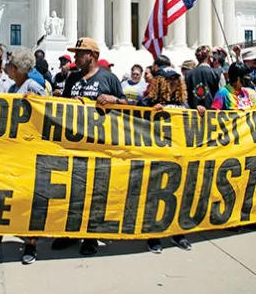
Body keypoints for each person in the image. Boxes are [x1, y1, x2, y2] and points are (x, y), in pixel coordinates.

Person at [54, 37, 128, 256]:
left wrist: (113, 99)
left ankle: (91, 235)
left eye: (80, 53)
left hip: (99, 146)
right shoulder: (72, 78)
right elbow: (62, 105)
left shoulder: (109, 78)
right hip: (74, 145)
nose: (75, 57)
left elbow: (127, 106)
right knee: (72, 192)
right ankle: (69, 233)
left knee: (95, 193)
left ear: (92, 56)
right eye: (75, 53)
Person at [0, 49, 46, 268]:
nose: (7, 68)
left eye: (9, 65)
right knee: (1, 200)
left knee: (27, 201)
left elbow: (48, 109)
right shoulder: (11, 87)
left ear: (15, 69)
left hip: (27, 154)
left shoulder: (32, 87)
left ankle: (30, 243)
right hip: (10, 153)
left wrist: (36, 102)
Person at [138, 67, 193, 253]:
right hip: (157, 158)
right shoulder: (150, 101)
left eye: (177, 80)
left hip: (178, 158)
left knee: (178, 198)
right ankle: (152, 237)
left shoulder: (183, 104)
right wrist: (150, 111)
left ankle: (178, 234)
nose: (174, 83)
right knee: (154, 199)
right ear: (160, 82)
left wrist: (200, 111)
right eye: (170, 80)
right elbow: (135, 119)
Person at [185, 45, 222, 114]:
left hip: (193, 117)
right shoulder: (217, 73)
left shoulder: (188, 74)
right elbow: (222, 95)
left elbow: (184, 97)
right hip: (213, 116)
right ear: (210, 58)